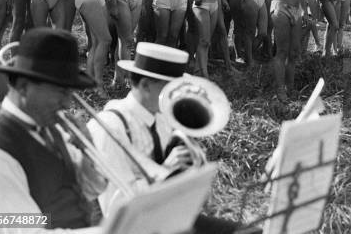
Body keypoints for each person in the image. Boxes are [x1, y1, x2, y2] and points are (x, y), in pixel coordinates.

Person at [88, 42, 247, 233]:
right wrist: (166, 170)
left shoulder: (162, 118)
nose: (176, 96)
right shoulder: (110, 127)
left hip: (164, 215)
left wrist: (193, 166)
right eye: (171, 88)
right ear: (146, 86)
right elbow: (115, 206)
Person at [0, 27, 106, 233]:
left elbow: (91, 190)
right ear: (23, 86)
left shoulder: (48, 126)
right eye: (60, 92)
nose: (68, 104)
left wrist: (88, 151)